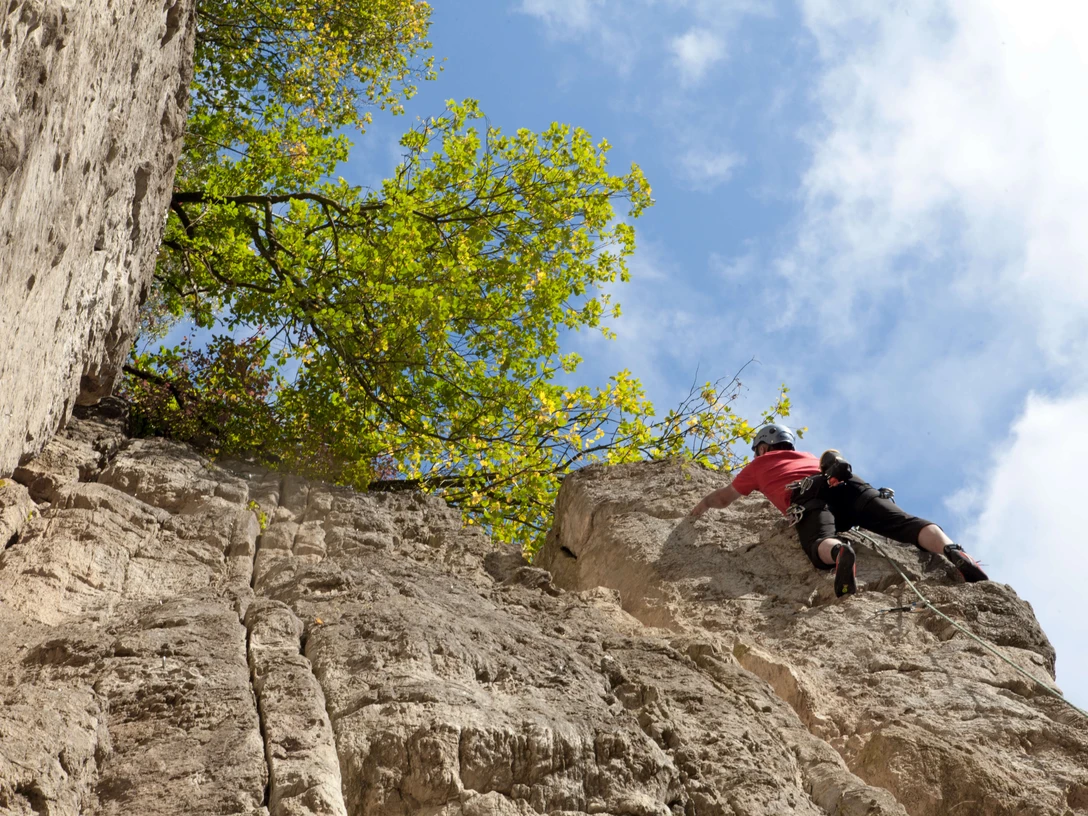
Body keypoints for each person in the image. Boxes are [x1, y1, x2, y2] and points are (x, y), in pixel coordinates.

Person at [689, 423, 989, 596]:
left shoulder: (758, 466)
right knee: (909, 525)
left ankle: (839, 553)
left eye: (757, 449)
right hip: (845, 482)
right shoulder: (805, 455)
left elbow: (725, 497)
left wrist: (699, 507)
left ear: (764, 447)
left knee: (818, 541)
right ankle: (953, 551)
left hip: (810, 496)